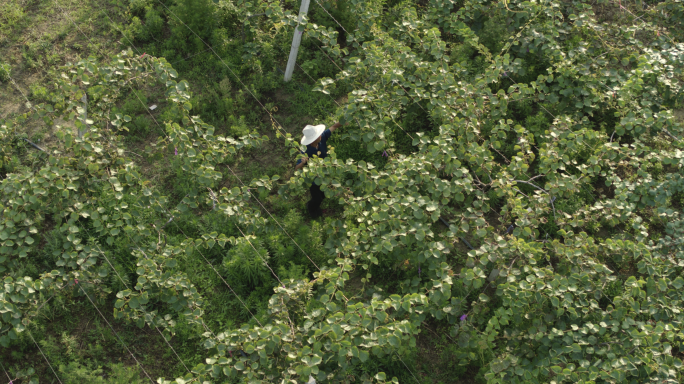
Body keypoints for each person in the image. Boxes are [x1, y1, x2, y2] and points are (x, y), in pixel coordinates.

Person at [295, 121, 345, 218]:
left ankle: (316, 206)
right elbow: (297, 169)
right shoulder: (305, 150)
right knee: (317, 198)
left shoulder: (321, 139)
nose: (320, 135)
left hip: (324, 173)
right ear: (313, 140)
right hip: (314, 178)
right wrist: (303, 162)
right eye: (318, 135)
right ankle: (312, 210)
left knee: (323, 195)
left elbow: (334, 126)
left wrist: (345, 121)